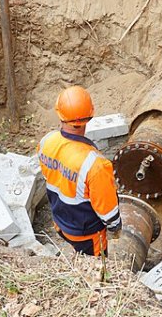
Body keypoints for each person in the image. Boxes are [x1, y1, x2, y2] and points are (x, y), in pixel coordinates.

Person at [36, 86, 121, 256]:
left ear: (59, 114)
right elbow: (108, 212)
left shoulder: (47, 142)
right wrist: (116, 228)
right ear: (89, 117)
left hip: (60, 223)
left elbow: (53, 177)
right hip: (87, 235)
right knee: (95, 268)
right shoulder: (95, 165)